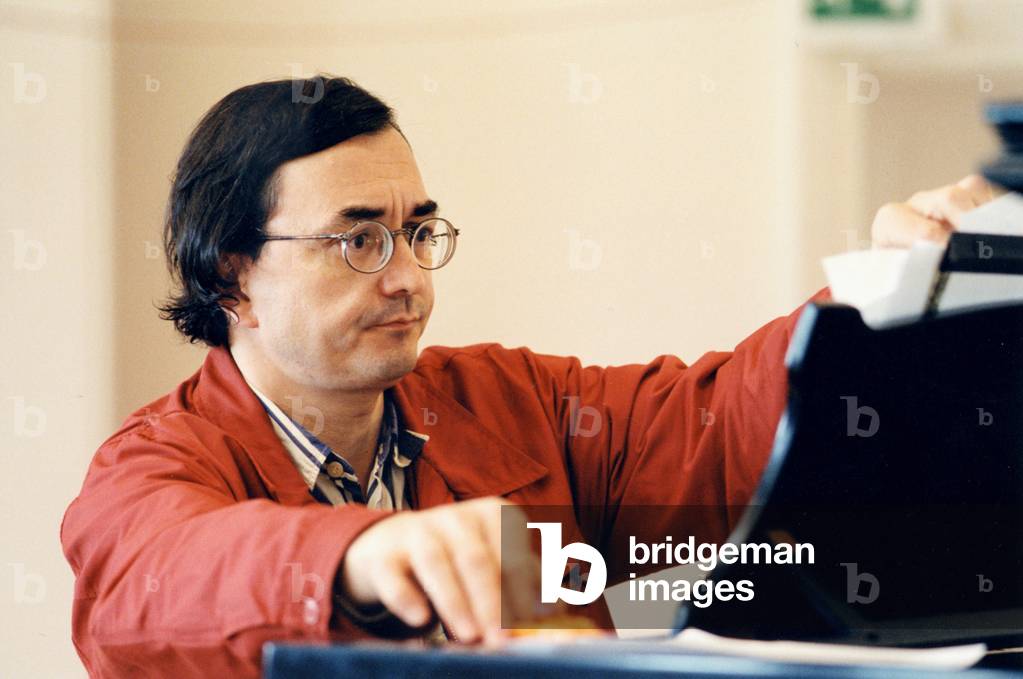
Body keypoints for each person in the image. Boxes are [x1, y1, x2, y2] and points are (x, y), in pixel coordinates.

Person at [60, 74, 995, 678]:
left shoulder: (519, 405)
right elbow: (147, 581)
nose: (406, 276)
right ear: (233, 275)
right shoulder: (149, 468)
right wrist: (359, 554)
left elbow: (720, 424)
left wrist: (888, 295)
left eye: (417, 232)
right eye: (357, 239)